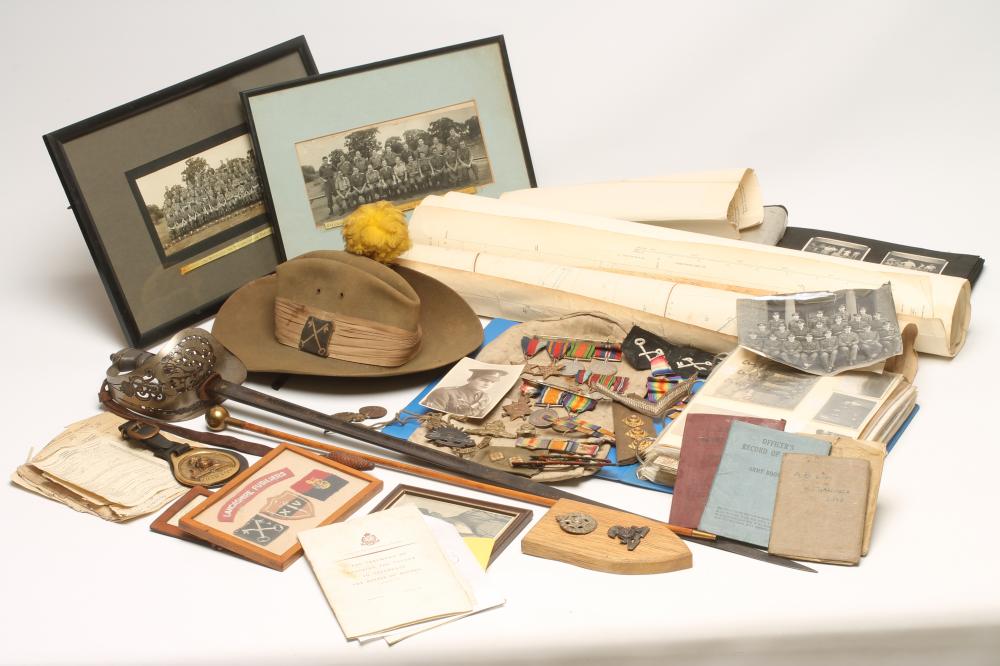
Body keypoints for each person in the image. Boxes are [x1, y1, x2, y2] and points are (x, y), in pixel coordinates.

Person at [423, 368, 509, 417]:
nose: (487, 384)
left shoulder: (486, 398)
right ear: (471, 379)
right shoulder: (444, 392)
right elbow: (432, 416)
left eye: (492, 382)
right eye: (484, 380)